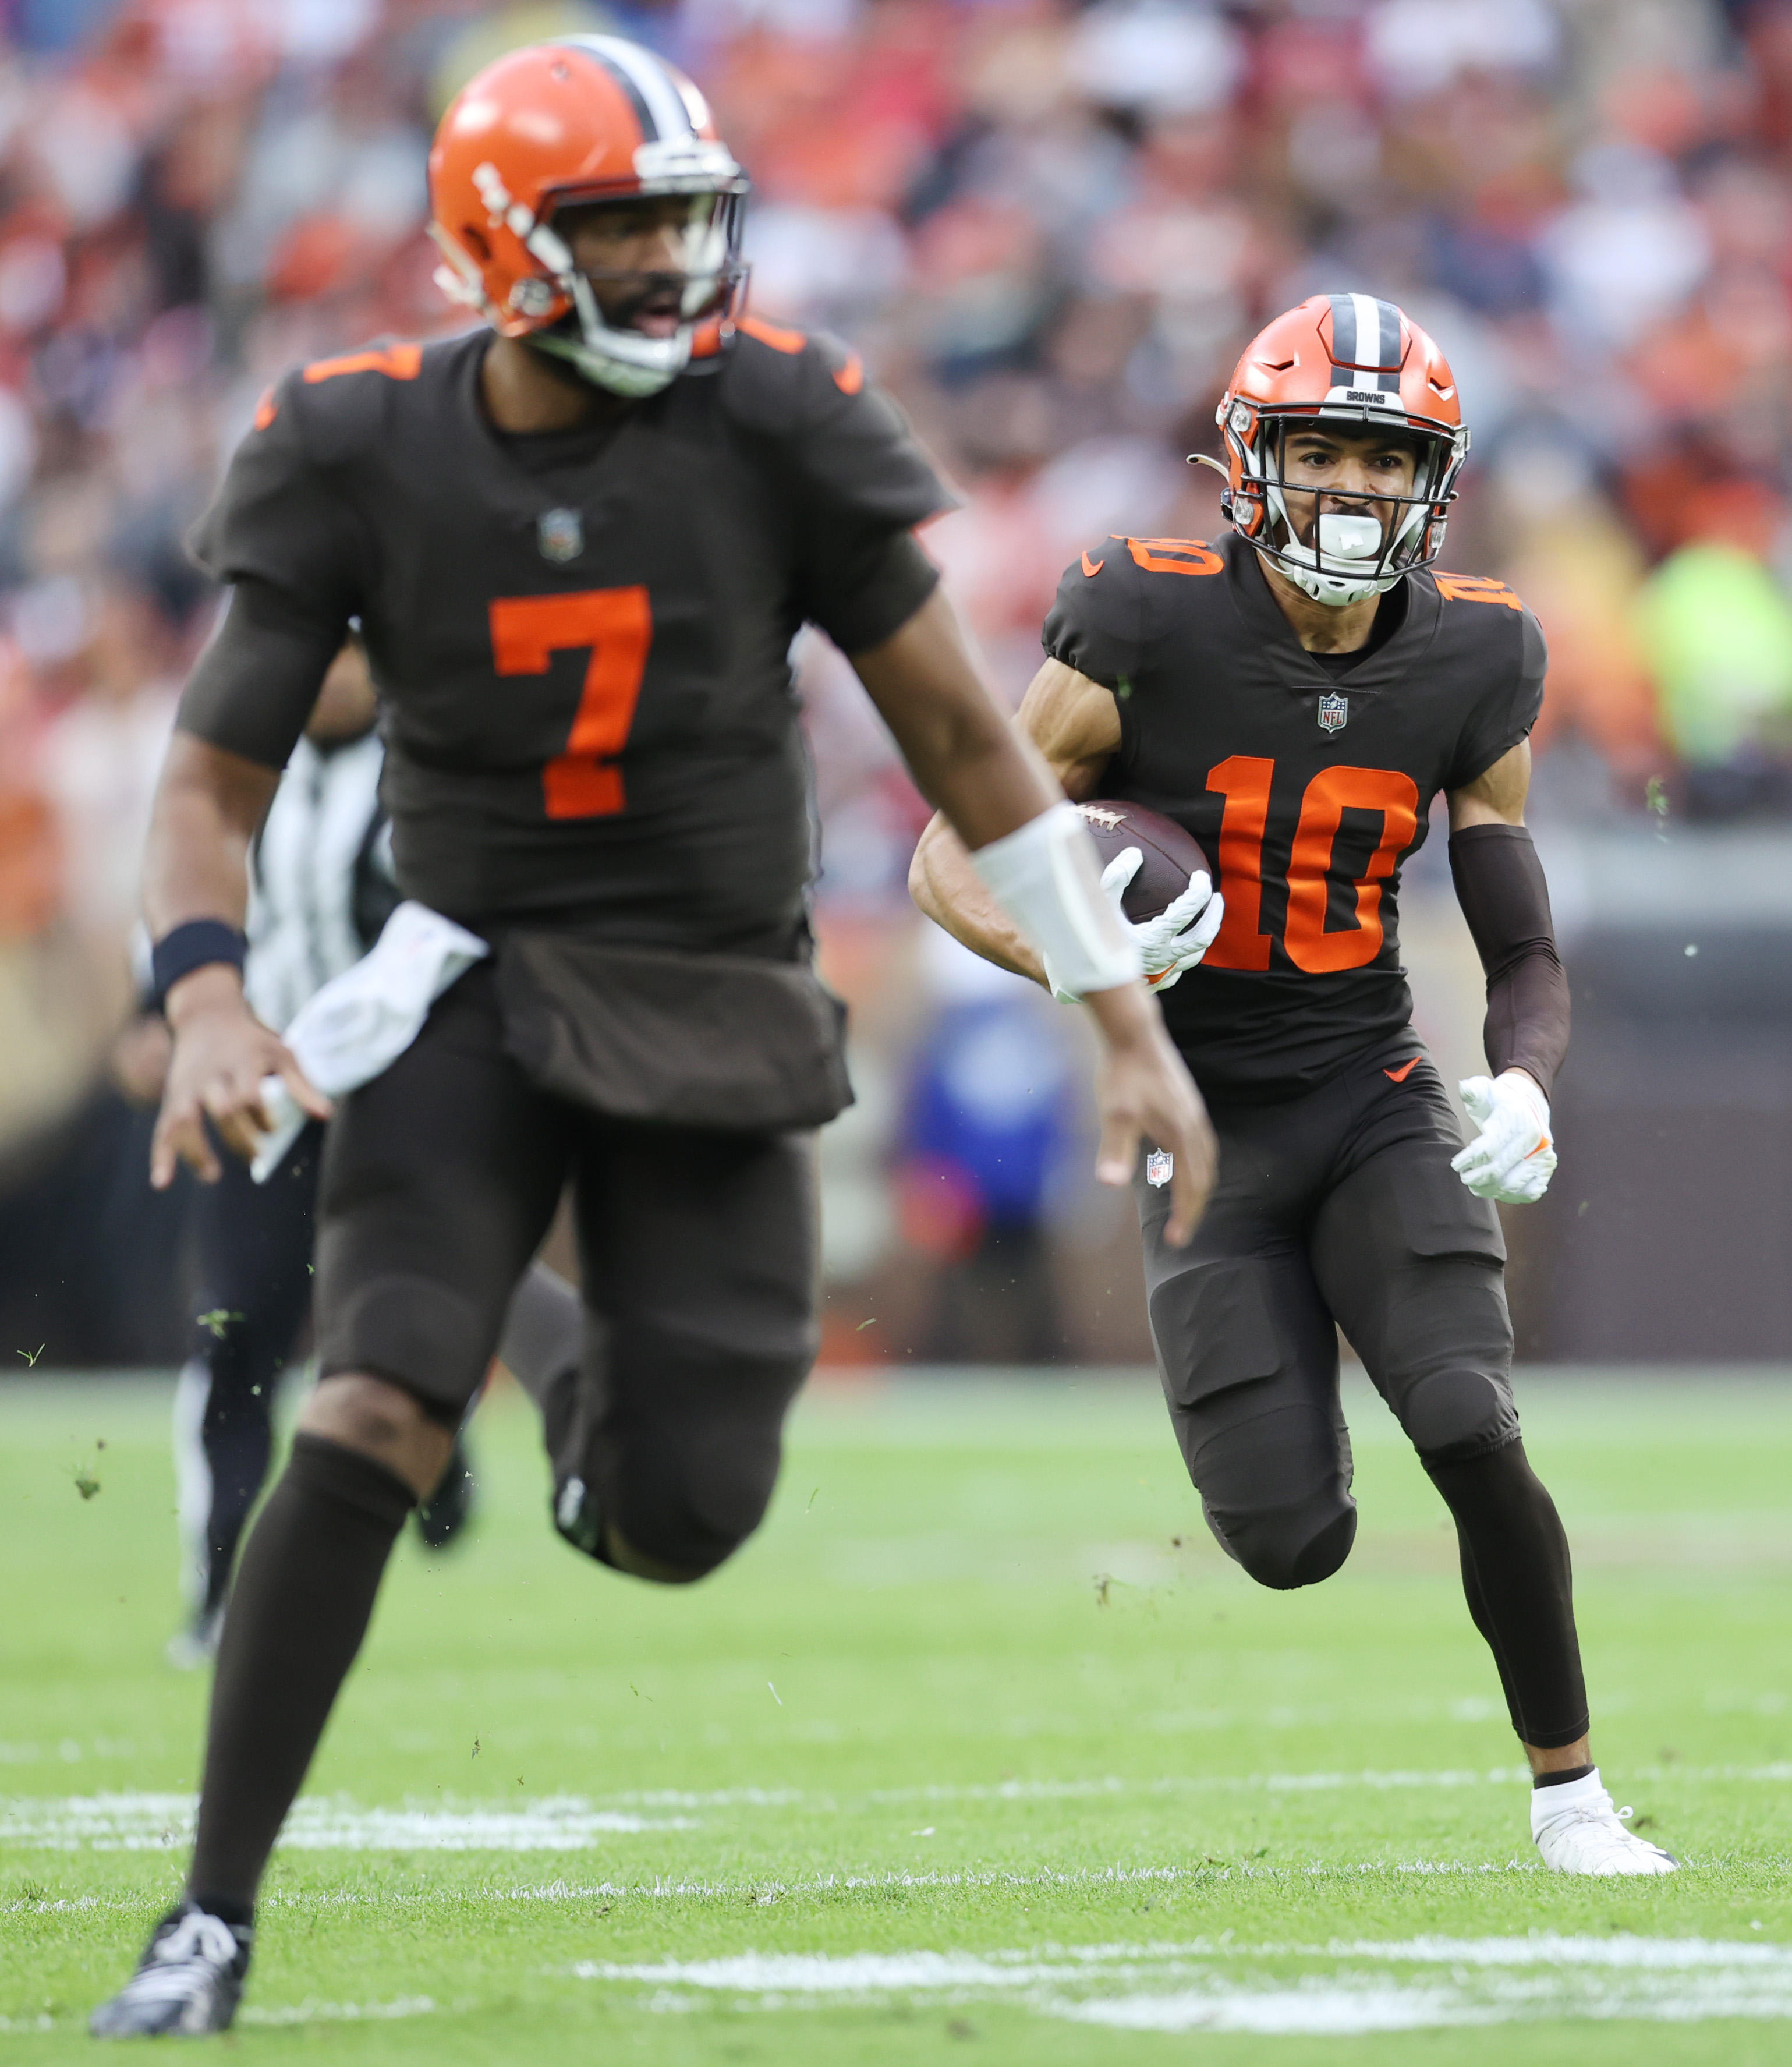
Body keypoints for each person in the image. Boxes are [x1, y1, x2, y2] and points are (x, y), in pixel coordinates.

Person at [90, 34, 1212, 2038]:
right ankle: (209, 1919)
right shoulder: (357, 438)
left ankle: (546, 1374)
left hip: (713, 997)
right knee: (363, 1410)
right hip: (464, 978)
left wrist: (1116, 1016)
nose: (669, 269)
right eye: (619, 227)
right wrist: (197, 995)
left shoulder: (775, 415)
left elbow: (960, 736)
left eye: (688, 225)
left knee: (686, 1515)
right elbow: (208, 776)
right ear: (497, 245)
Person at [912, 293, 1675, 1878]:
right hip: (1200, 1129)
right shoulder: (1138, 618)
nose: (1347, 490)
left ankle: (1571, 1796)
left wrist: (1520, 1079)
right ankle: (1289, 1406)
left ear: (1433, 480)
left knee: (1467, 1419)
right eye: (1317, 451)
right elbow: (943, 851)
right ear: (1247, 461)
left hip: (1369, 1087)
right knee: (1284, 1537)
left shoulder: (1477, 650)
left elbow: (1517, 939)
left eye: (1381, 460)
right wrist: (1067, 957)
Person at [162, 640, 581, 1666]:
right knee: (239, 1332)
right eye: (315, 649)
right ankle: (217, 1592)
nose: (329, 673)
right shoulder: (236, 763)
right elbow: (182, 894)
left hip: (402, 1096)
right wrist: (159, 1015)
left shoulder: (428, 763)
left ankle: (438, 1457)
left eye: (350, 649)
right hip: (264, 1096)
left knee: (400, 1328)